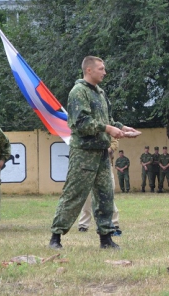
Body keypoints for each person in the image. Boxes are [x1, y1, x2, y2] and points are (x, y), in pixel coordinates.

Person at [49, 56, 140, 249]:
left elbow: (108, 119)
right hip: (83, 153)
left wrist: (123, 128)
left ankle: (106, 238)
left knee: (105, 195)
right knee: (74, 194)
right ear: (89, 70)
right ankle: (56, 237)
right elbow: (81, 123)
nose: (104, 72)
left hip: (101, 153)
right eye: (101, 69)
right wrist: (108, 129)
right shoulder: (78, 92)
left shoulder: (100, 92)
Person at [78, 138, 123, 236]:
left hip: (105, 167)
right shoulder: (86, 130)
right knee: (87, 197)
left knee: (108, 195)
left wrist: (102, 150)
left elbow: (114, 143)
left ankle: (114, 224)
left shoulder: (107, 128)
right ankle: (83, 225)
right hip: (89, 167)